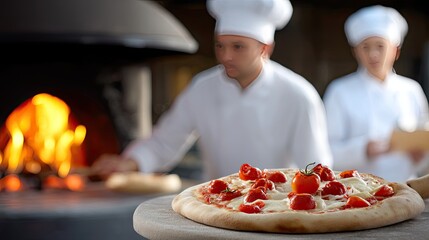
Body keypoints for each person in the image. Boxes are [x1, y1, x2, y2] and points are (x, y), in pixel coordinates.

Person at [90, 0, 332, 181]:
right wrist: (129, 163)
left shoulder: (299, 95)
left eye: (238, 47)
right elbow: (164, 142)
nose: (226, 56)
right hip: (217, 204)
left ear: (265, 48)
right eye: (220, 45)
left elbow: (314, 168)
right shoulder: (202, 88)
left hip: (277, 208)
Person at [323, 5, 429, 182]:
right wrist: (363, 149)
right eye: (365, 47)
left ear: (396, 50)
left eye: (380, 46)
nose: (373, 54)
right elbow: (325, 151)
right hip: (357, 191)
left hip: (408, 190)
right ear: (355, 51)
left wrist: (421, 155)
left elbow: (425, 138)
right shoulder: (339, 91)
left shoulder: (411, 90)